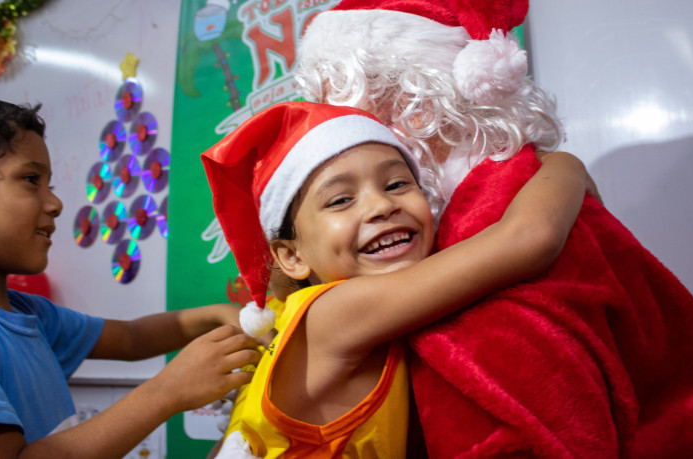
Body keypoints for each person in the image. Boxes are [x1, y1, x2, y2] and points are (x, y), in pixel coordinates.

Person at [296, 0, 693, 457]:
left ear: (416, 103)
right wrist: (567, 166)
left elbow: (534, 429)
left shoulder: (487, 231)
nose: (341, 135)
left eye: (351, 108)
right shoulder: (511, 199)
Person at [201, 101, 590, 457]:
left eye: (397, 184)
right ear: (292, 256)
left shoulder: (302, 312)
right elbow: (529, 238)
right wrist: (564, 164)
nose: (382, 206)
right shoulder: (334, 314)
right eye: (340, 200)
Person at [0, 91, 262, 459]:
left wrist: (217, 315)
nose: (55, 203)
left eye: (49, 184)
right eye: (31, 179)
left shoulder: (28, 312)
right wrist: (166, 392)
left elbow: (131, 339)